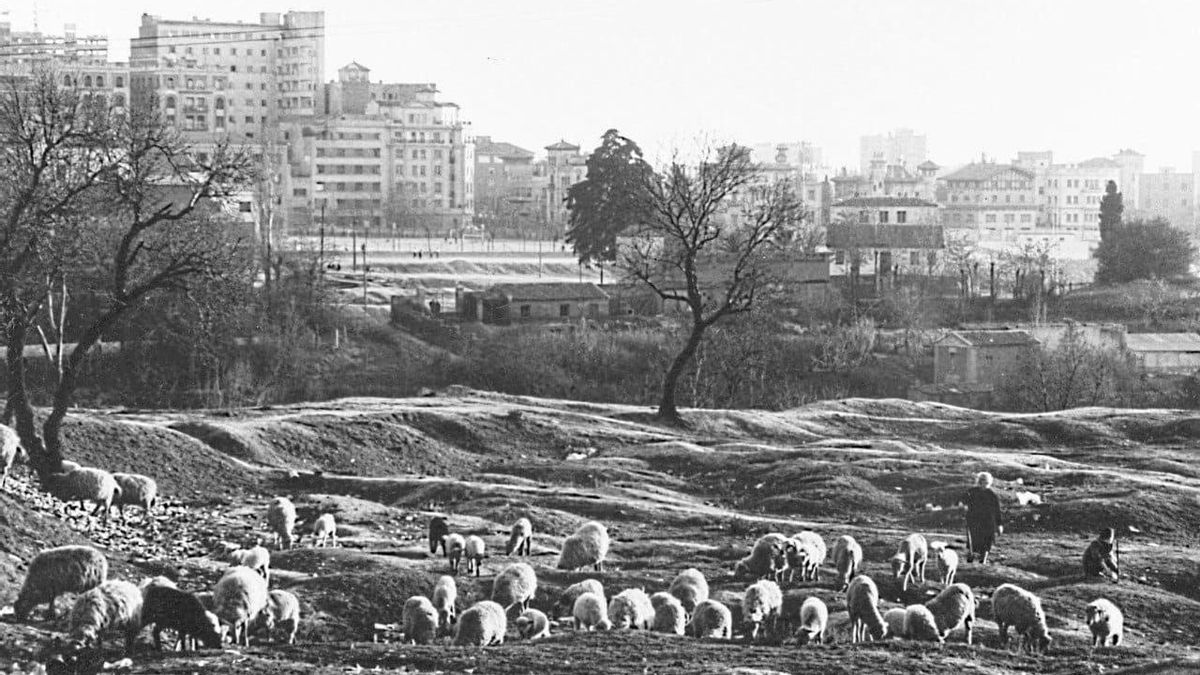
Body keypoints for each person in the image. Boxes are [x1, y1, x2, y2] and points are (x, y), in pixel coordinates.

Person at [964, 471, 1003, 564]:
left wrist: (999, 524)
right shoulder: (972, 492)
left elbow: (997, 511)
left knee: (987, 541)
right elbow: (963, 502)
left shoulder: (992, 495)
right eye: (983, 482)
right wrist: (964, 508)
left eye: (987, 483)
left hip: (988, 523)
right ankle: (970, 557)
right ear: (979, 482)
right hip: (974, 521)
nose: (985, 485)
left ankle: (983, 560)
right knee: (973, 540)